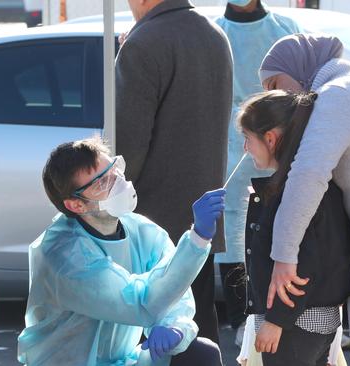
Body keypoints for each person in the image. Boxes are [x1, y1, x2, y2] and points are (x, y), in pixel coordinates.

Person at [17, 137, 225, 366]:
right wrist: (197, 239)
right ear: (77, 205)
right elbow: (138, 304)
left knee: (201, 354)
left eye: (114, 169)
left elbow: (176, 294)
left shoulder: (141, 230)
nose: (118, 182)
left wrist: (174, 326)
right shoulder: (63, 255)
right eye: (102, 183)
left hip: (121, 360)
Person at [258, 33, 350, 365]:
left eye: (276, 82)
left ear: (300, 68)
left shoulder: (337, 97)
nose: (276, 95)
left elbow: (308, 175)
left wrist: (284, 256)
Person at [115, 0, 232, 347]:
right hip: (201, 217)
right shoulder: (214, 34)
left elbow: (126, 150)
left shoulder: (145, 42)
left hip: (151, 223)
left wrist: (105, 205)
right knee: (199, 333)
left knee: (149, 340)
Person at [237, 90, 350, 365]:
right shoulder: (311, 186)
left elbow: (303, 265)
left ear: (270, 139)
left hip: (294, 327)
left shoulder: (293, 194)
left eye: (247, 139)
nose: (245, 149)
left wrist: (276, 321)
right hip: (310, 323)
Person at [213, 0, 300, 346]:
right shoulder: (216, 31)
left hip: (282, 140)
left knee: (284, 221)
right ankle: (240, 318)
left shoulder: (284, 28)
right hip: (233, 140)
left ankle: (281, 312)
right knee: (235, 230)